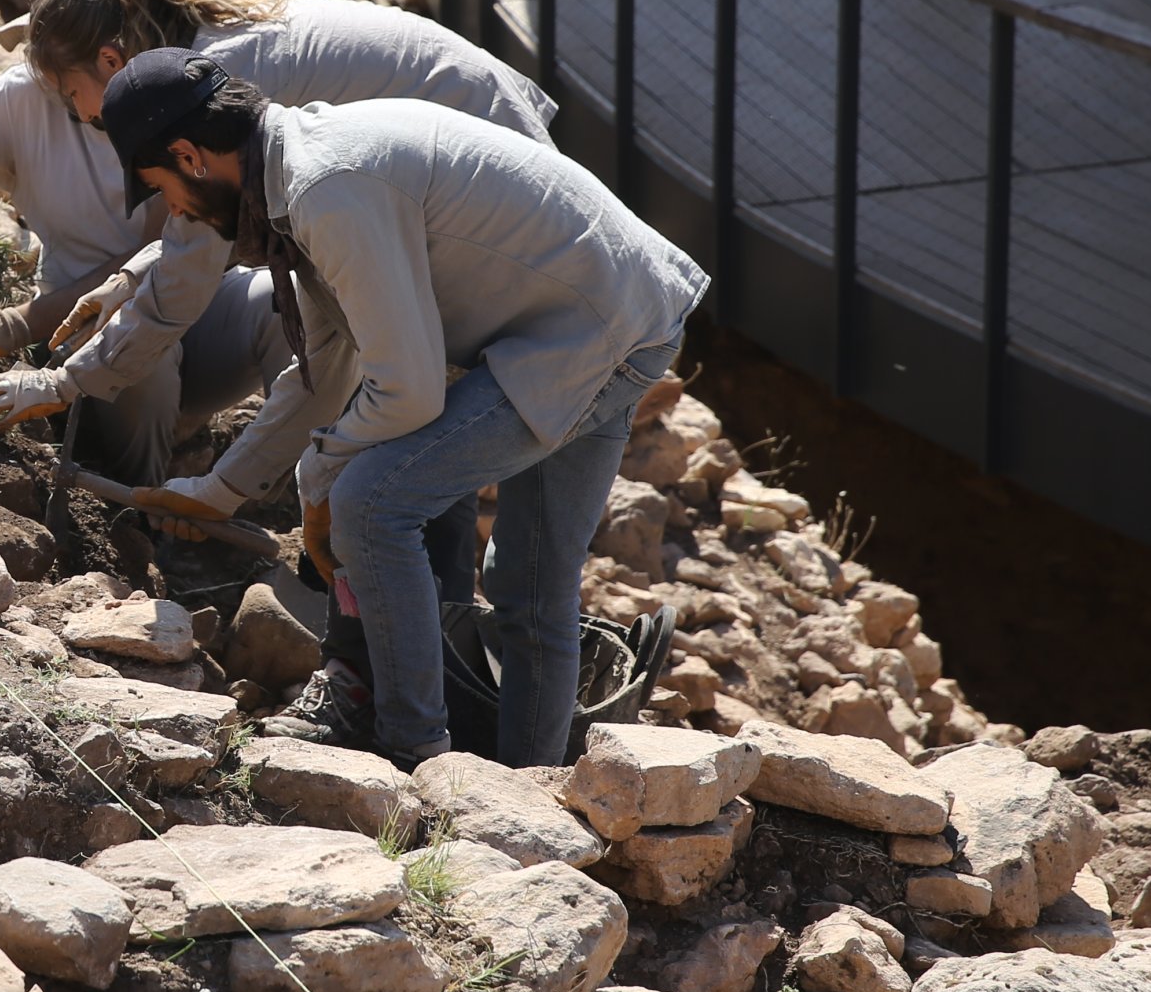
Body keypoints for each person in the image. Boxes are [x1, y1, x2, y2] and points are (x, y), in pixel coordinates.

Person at [0, 0, 559, 685]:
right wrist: (131, 278)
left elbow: (186, 289)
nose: (83, 119)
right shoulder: (210, 66)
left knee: (407, 440)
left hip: (486, 202)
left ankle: (409, 675)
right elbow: (204, 248)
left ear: (110, 64)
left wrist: (60, 384)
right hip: (477, 170)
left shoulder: (210, 84)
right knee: (409, 423)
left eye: (76, 99)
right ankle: (419, 659)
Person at [95, 50, 708, 768]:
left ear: (191, 155)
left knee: (371, 504)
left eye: (161, 188)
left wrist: (320, 482)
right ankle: (525, 791)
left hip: (587, 329)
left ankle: (418, 757)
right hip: (625, 308)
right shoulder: (300, 172)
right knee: (530, 584)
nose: (173, 209)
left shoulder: (327, 188)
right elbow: (324, 368)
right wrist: (218, 492)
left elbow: (408, 389)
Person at [0, 0, 287, 490]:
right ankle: (143, 513)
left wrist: (18, 322)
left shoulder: (172, 93)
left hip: (196, 313)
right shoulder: (28, 98)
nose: (71, 98)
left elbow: (169, 255)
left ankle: (291, 487)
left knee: (284, 306)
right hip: (88, 323)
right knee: (138, 345)